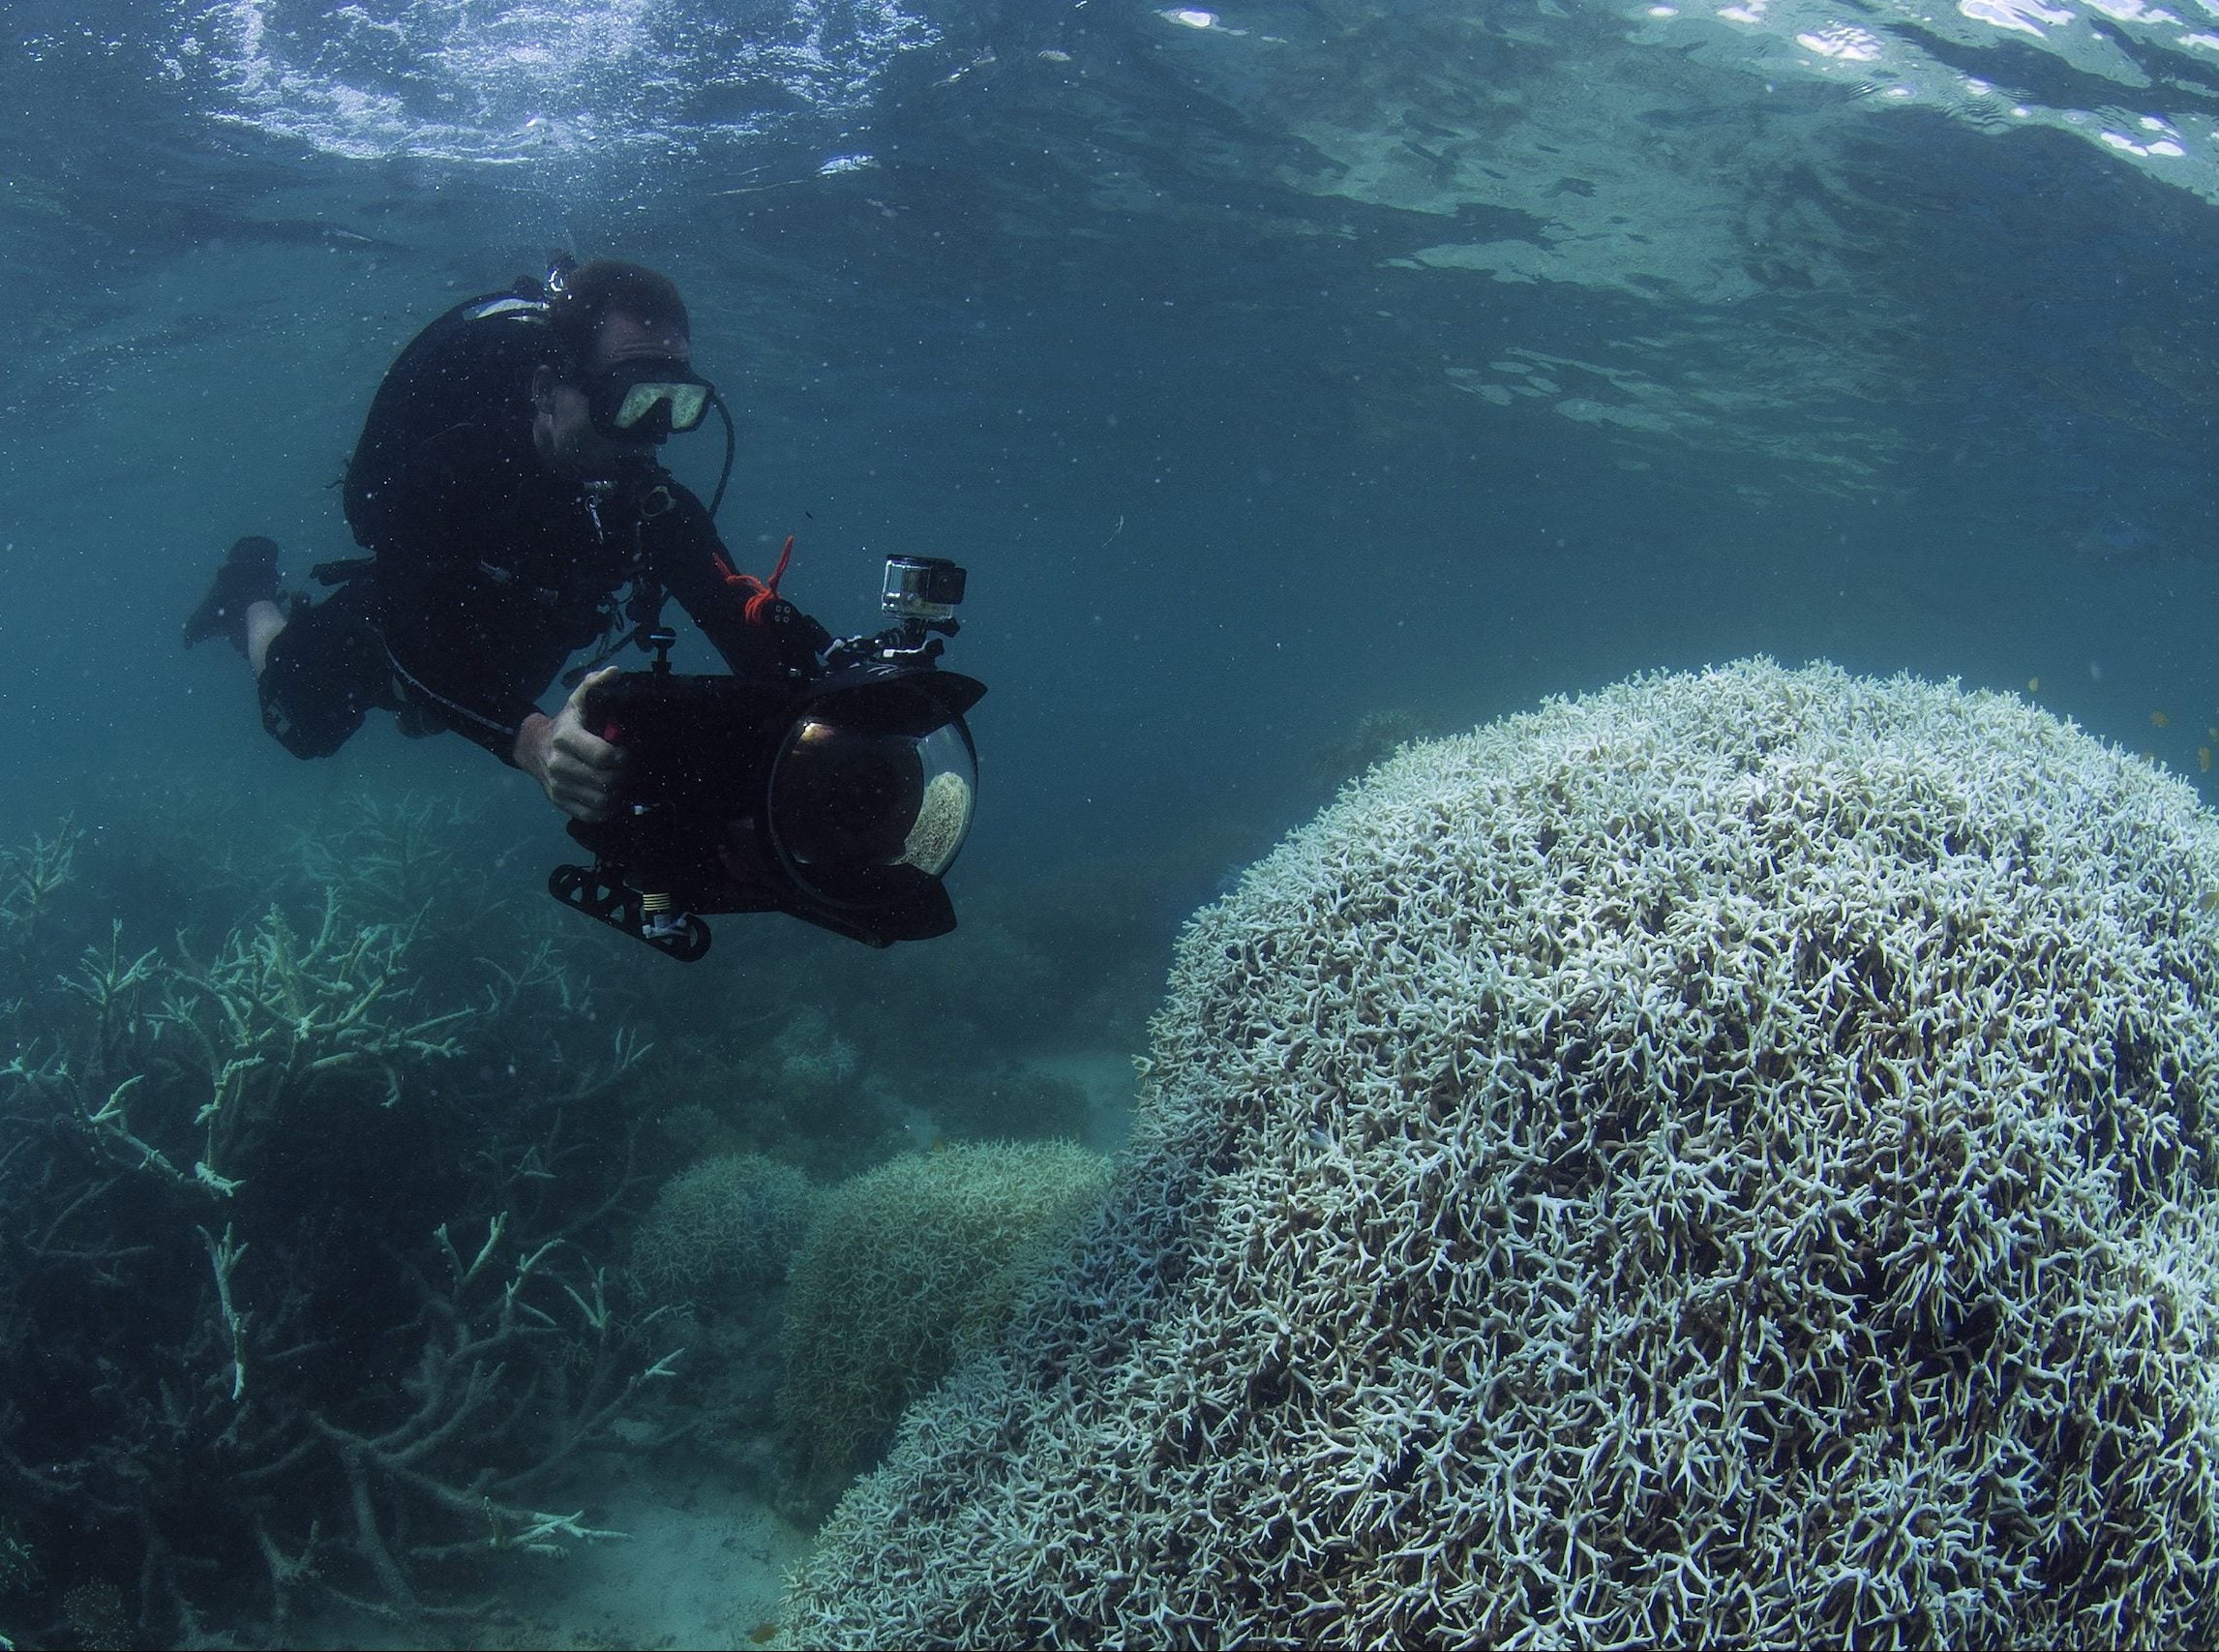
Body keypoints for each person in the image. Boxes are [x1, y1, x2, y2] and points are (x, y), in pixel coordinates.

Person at [183, 258, 829, 823]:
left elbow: (732, 607)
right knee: (302, 724)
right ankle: (249, 594)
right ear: (548, 391)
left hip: (517, 637)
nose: (649, 435)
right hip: (411, 616)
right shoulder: (452, 468)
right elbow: (416, 632)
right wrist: (530, 737)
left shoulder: (645, 500)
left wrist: (836, 680)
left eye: (675, 403)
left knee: (449, 706)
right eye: (628, 400)